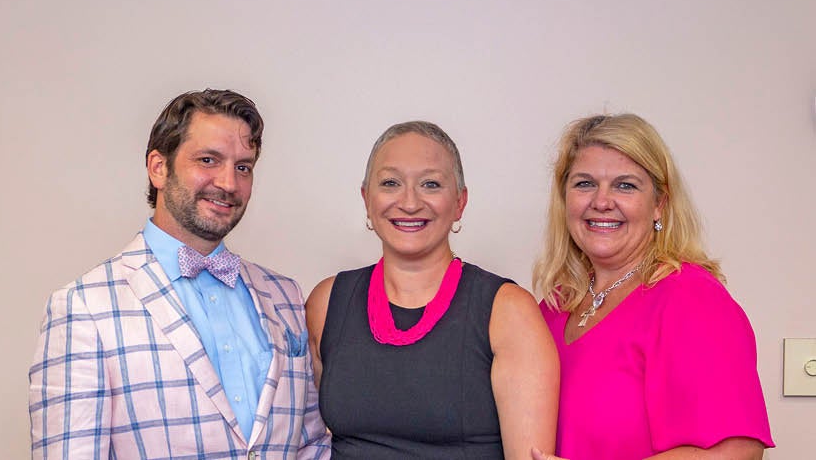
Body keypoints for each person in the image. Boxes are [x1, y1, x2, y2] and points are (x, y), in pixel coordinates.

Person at [28, 89, 330, 459]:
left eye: (243, 167)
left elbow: (312, 444)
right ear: (158, 167)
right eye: (208, 160)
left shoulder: (284, 295)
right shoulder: (84, 308)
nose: (228, 183)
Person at [306, 121, 559, 459]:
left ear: (459, 202)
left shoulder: (509, 312)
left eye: (431, 184)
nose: (409, 203)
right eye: (391, 183)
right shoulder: (327, 303)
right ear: (367, 199)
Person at [530, 114, 774, 460]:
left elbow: (736, 452)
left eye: (625, 185)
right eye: (584, 184)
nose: (601, 201)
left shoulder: (690, 299)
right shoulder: (555, 307)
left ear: (659, 204)